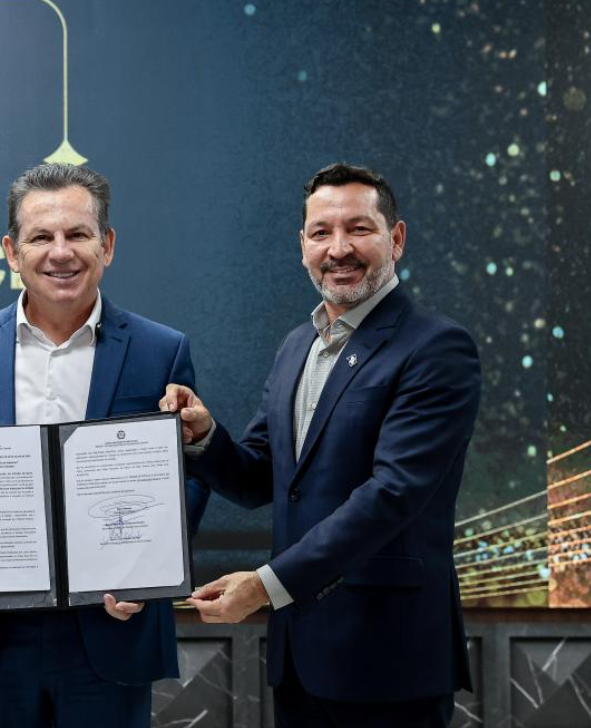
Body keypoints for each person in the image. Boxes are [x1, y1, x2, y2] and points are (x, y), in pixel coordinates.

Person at [170, 163, 480, 727]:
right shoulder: (298, 346)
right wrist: (206, 436)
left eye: (358, 229)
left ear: (396, 238)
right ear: (303, 246)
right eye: (321, 232)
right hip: (301, 656)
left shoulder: (437, 347)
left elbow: (392, 494)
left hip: (390, 659)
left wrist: (265, 586)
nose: (339, 248)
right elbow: (261, 477)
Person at [0, 163, 210, 728]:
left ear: (107, 245)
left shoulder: (161, 350)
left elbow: (189, 471)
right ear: (11, 252)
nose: (60, 252)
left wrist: (149, 568)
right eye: (41, 236)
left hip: (111, 627)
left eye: (78, 234)